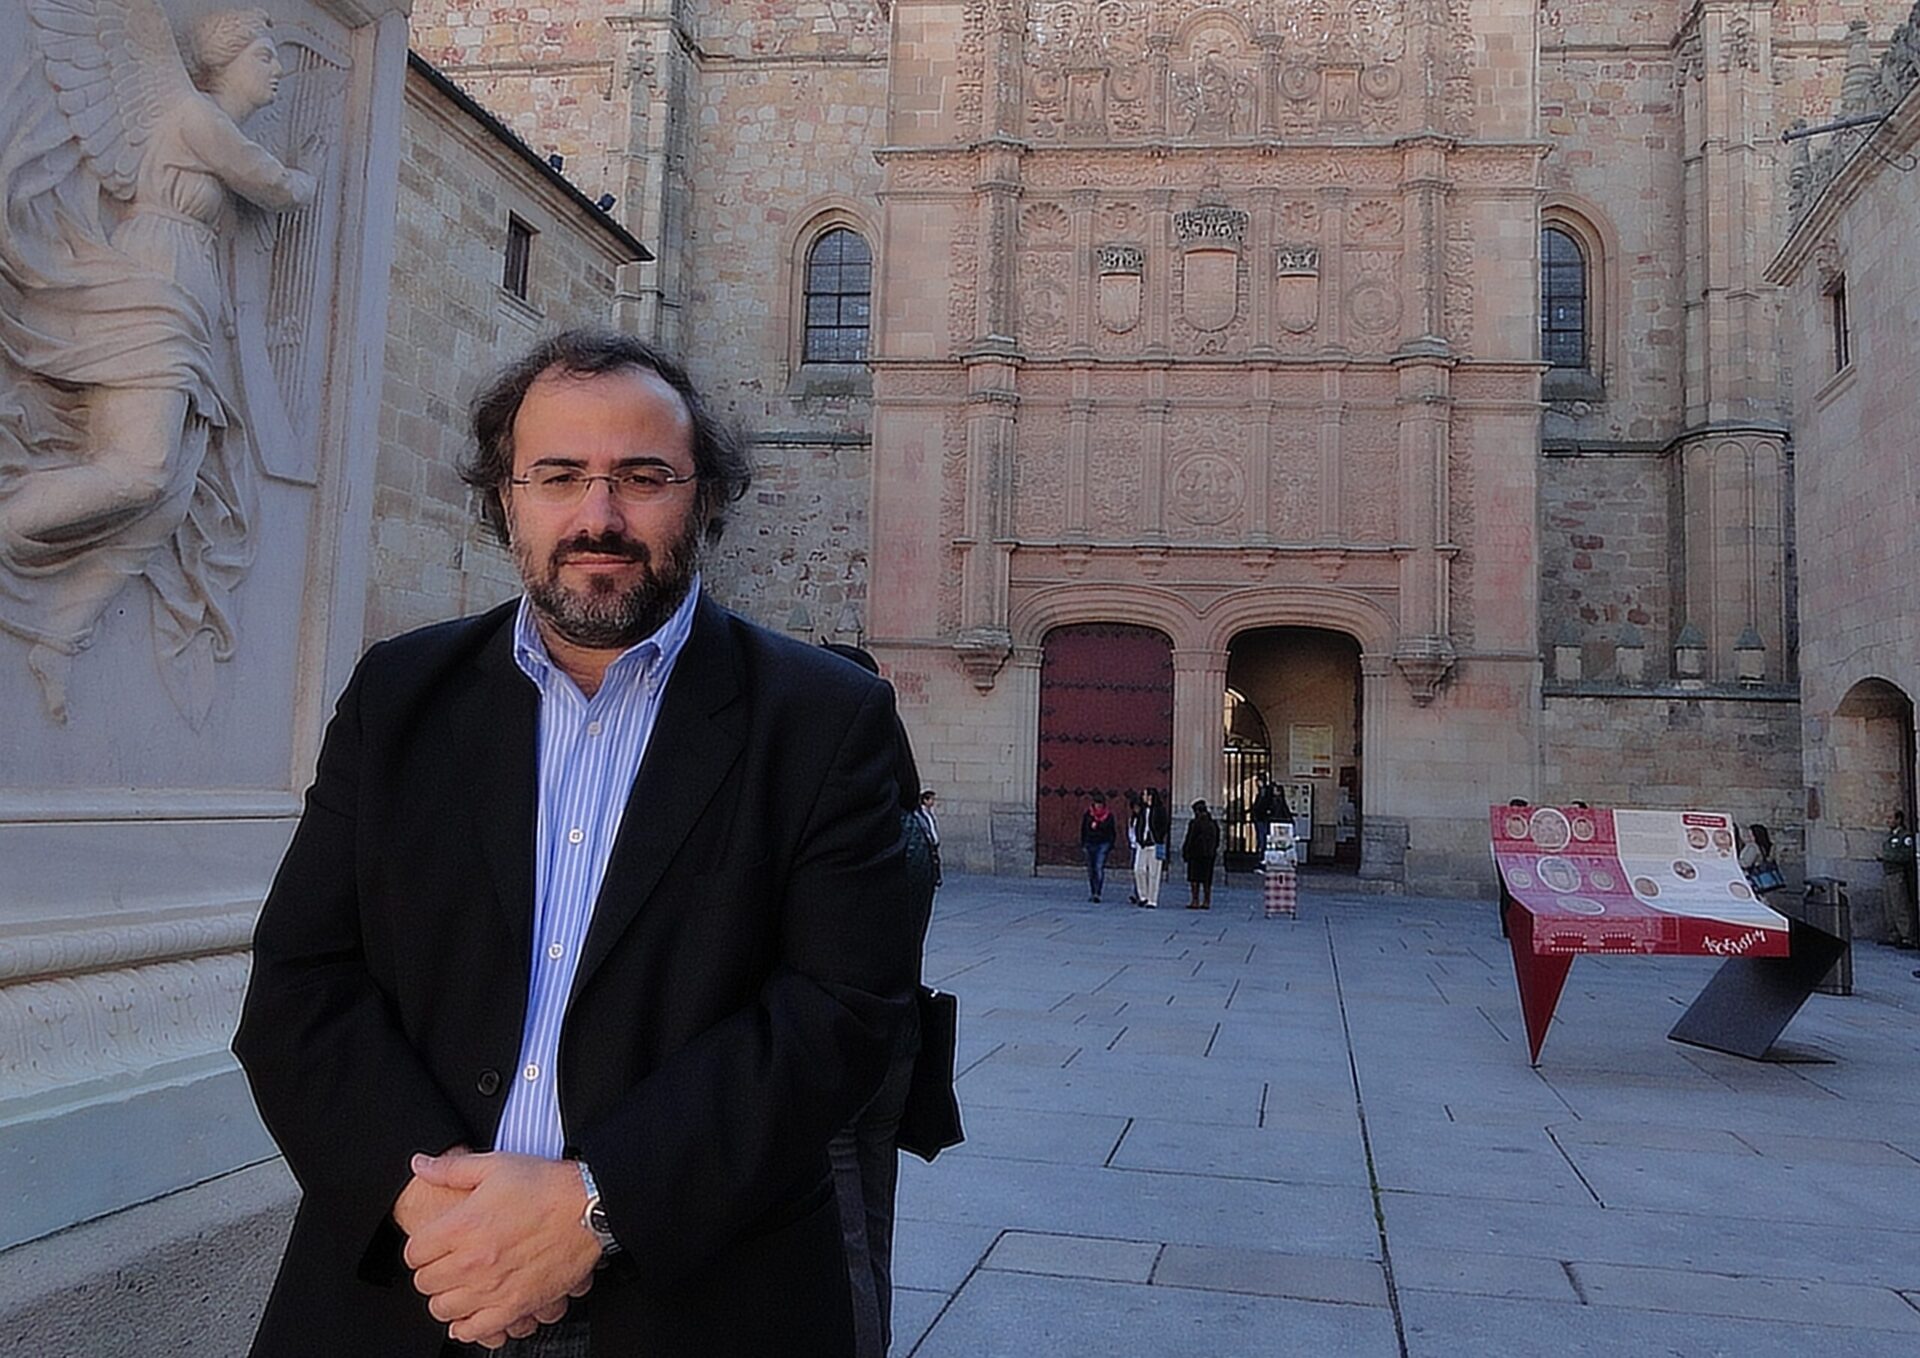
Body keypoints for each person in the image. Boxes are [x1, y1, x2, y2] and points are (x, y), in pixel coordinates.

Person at [232, 330, 921, 1356]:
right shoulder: (399, 696)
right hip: (410, 1289)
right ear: (506, 498)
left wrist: (598, 1204)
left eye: (643, 476)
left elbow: (841, 1010)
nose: (599, 515)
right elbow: (301, 980)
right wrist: (439, 1217)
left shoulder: (827, 719)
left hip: (701, 1301)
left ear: (706, 497)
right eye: (559, 475)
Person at [1, 5, 319, 721]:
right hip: (152, 292)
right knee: (140, 469)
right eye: (266, 58)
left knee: (170, 494)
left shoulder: (207, 125)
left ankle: (61, 637)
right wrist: (311, 177)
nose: (278, 71)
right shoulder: (192, 113)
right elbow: (271, 183)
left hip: (187, 300)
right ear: (228, 62)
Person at [818, 644, 937, 1358]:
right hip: (899, 1042)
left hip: (842, 1048)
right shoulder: (914, 824)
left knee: (842, 1233)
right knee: (875, 1221)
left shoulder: (852, 824)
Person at [1879, 810, 1917, 949]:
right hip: (1887, 873)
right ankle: (1893, 934)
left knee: (1900, 906)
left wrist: (1887, 857)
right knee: (1889, 906)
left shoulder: (1905, 836)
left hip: (1898, 874)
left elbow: (1906, 855)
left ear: (1899, 819)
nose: (1888, 820)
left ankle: (1907, 937)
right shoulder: (1891, 836)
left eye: (1891, 817)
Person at [1132, 786, 1170, 909]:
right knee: (1139, 869)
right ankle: (1143, 895)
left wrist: (1158, 837)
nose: (1143, 797)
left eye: (1145, 795)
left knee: (1154, 873)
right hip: (1142, 844)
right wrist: (1138, 838)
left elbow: (1164, 826)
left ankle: (1152, 899)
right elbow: (1138, 824)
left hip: (1154, 844)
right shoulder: (1142, 810)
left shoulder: (1160, 810)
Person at [1183, 800, 1221, 910]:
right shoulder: (1213, 823)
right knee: (1207, 879)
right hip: (1209, 855)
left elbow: (1190, 839)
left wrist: (1186, 851)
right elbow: (1217, 839)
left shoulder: (1194, 823)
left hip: (1195, 855)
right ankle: (1206, 901)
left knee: (1194, 879)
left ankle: (1195, 900)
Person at [1080, 793, 1117, 902]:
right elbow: (1083, 829)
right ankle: (1093, 891)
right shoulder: (1088, 815)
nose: (1098, 807)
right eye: (1096, 804)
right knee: (1091, 870)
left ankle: (1098, 892)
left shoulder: (1108, 816)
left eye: (1100, 805)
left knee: (1099, 867)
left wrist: (1110, 843)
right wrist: (1083, 842)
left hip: (1103, 843)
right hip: (1090, 843)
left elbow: (1111, 831)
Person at [1739, 822, 1785, 898]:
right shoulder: (1764, 846)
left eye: (1751, 834)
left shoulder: (1753, 847)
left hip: (1752, 879)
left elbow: (1745, 863)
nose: (1749, 836)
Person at [1249, 778, 1291, 854]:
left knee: (1264, 838)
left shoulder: (1266, 795)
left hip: (1268, 820)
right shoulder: (1275, 799)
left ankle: (1263, 855)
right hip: (1269, 820)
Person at [918, 788, 943, 889]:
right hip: (928, 843)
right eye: (931, 799)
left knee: (936, 861)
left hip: (933, 842)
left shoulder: (929, 813)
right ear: (925, 800)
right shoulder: (921, 814)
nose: (933, 802)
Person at [1124, 790, 1144, 904]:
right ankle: (1136, 892)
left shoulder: (1144, 818)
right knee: (1135, 871)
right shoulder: (1132, 819)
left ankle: (1141, 894)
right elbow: (1130, 831)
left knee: (1141, 871)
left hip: (1142, 847)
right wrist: (1132, 842)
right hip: (1134, 847)